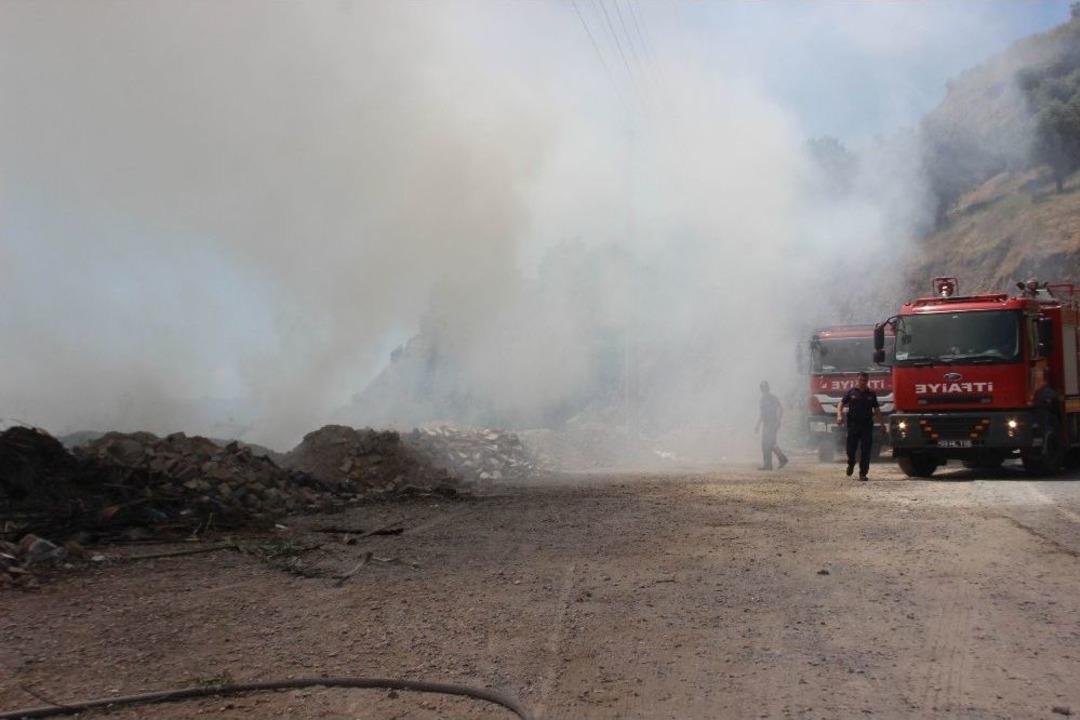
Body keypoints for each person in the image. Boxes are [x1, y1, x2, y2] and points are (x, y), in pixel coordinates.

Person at [836, 371, 888, 481]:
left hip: (867, 426)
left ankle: (863, 473)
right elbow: (841, 403)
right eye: (861, 380)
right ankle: (851, 463)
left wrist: (882, 424)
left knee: (866, 450)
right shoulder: (851, 392)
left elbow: (877, 410)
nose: (863, 382)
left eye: (865, 380)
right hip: (853, 425)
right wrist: (839, 416)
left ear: (867, 381)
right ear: (857, 380)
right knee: (851, 449)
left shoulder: (871, 394)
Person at [755, 380, 788, 470]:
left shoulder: (771, 398)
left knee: (768, 443)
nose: (764, 389)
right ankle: (776, 461)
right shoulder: (764, 399)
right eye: (763, 387)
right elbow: (762, 414)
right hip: (767, 424)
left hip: (772, 423)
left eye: (764, 387)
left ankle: (774, 462)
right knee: (769, 443)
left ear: (767, 388)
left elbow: (780, 409)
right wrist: (758, 425)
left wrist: (778, 420)